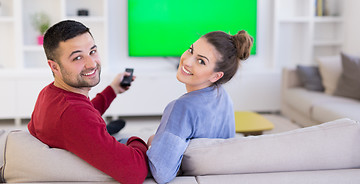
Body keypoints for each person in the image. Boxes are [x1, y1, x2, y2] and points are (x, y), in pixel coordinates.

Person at [27, 20, 148, 184]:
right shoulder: (73, 114)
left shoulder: (50, 93)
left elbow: (86, 111)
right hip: (84, 138)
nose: (91, 64)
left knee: (107, 126)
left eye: (92, 51)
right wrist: (138, 141)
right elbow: (136, 172)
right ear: (54, 67)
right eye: (77, 57)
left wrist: (112, 89)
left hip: (78, 137)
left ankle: (107, 128)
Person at [147, 30, 253, 184]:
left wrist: (152, 141)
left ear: (216, 76)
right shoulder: (223, 97)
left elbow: (161, 172)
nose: (187, 61)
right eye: (191, 50)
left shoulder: (182, 108)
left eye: (201, 61)